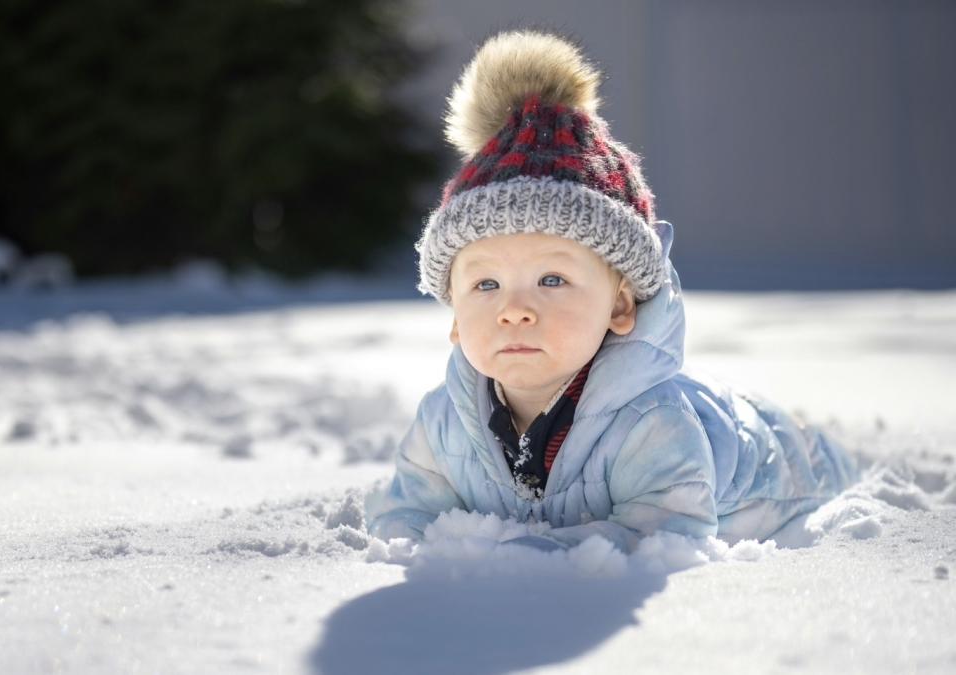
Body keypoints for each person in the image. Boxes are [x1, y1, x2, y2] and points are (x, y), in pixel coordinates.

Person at [365, 30, 857, 551]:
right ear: (457, 319)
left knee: (814, 451)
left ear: (620, 304)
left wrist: (537, 558)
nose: (514, 310)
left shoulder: (655, 423)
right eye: (485, 284)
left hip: (785, 473)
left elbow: (666, 533)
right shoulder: (443, 422)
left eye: (551, 280)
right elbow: (409, 513)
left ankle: (821, 438)